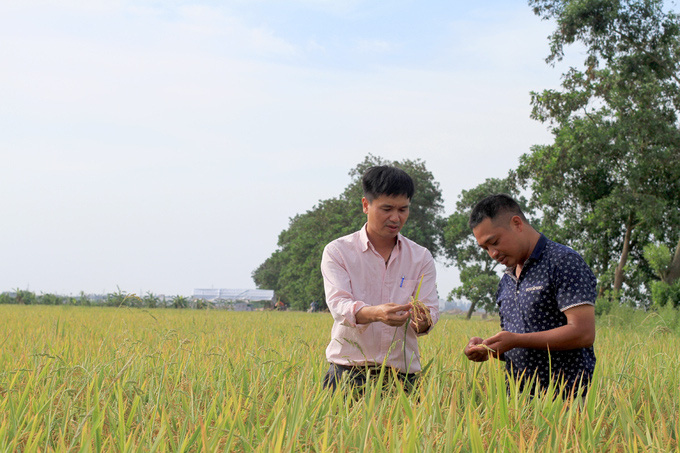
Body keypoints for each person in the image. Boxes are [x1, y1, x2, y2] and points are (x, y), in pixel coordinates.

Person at [463, 194, 596, 398]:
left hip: (566, 401)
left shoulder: (563, 262)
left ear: (517, 224)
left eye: (495, 242)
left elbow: (583, 333)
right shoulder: (506, 281)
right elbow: (520, 345)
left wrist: (516, 340)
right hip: (518, 403)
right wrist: (491, 349)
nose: (492, 253)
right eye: (485, 248)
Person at [321, 165, 439, 392]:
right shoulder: (338, 252)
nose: (396, 217)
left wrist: (423, 320)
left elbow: (430, 310)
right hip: (347, 373)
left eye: (403, 209)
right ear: (366, 205)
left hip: (402, 377)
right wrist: (378, 313)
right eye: (387, 209)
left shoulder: (420, 257)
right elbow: (339, 305)